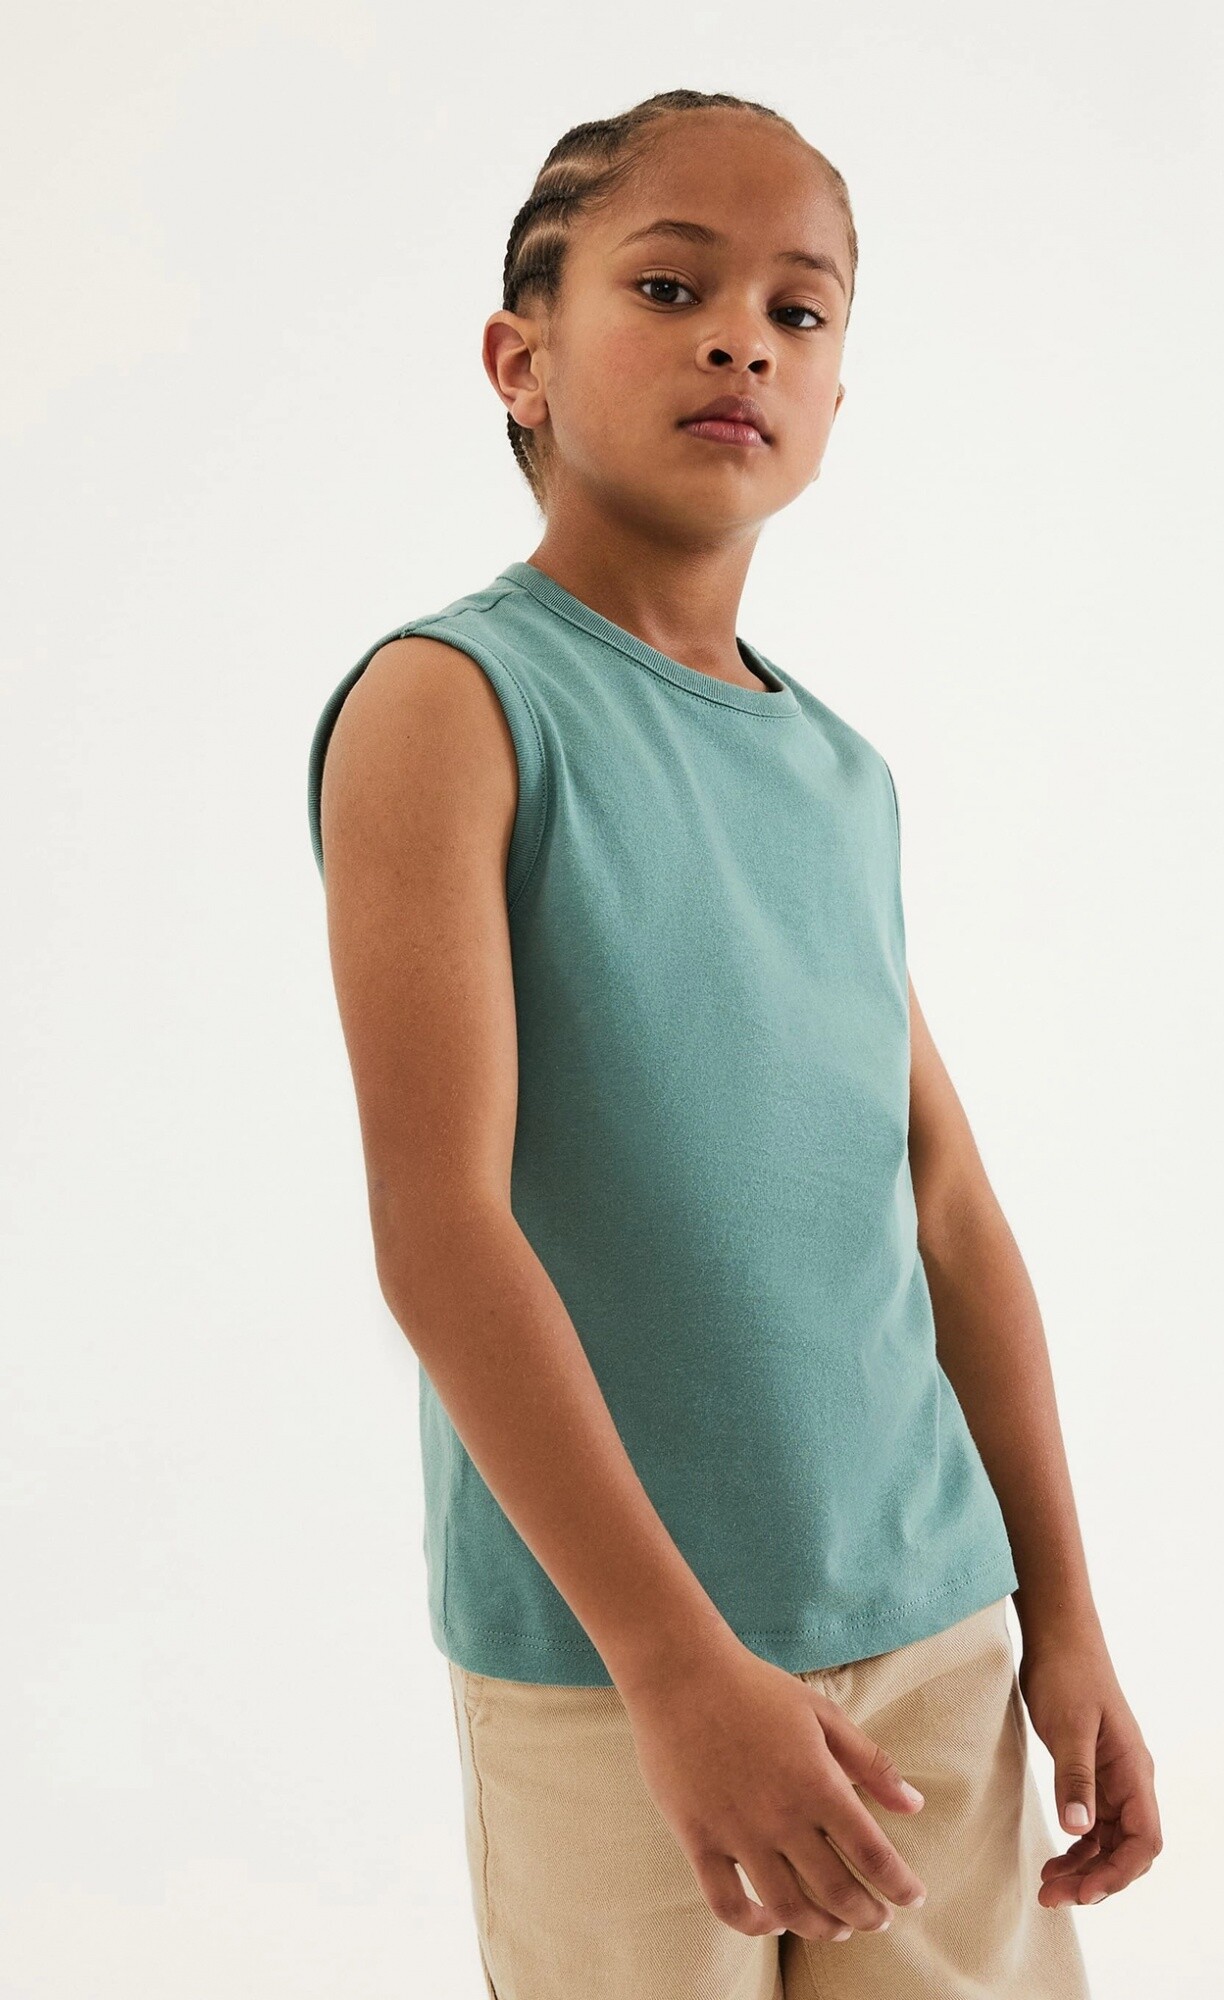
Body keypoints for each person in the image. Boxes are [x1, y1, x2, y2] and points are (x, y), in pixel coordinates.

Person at [307, 86, 1160, 2000]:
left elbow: (947, 1211)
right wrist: (676, 1664)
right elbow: (440, 1228)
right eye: (672, 286)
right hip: (615, 1667)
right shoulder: (452, 706)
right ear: (520, 360)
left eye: (799, 310)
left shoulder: (842, 774)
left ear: (839, 393)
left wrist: (1064, 1612)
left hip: (936, 1624)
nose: (741, 343)